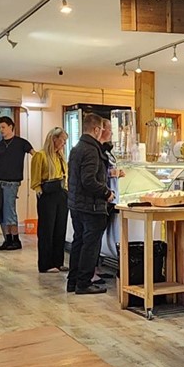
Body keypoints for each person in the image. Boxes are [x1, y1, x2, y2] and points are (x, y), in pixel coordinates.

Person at [67, 113, 115, 294]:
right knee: (90, 245)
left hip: (76, 204)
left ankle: (73, 281)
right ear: (96, 129)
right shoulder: (91, 150)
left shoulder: (77, 148)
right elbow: (89, 180)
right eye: (101, 129)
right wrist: (106, 193)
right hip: (91, 206)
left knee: (79, 242)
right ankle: (84, 283)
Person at [0, 115, 34, 252]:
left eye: (3, 127)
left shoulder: (21, 143)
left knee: (9, 210)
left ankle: (15, 239)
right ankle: (8, 238)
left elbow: (35, 155)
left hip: (12, 182)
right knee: (1, 211)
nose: (1, 130)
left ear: (11, 127)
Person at [30, 125, 68, 273]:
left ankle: (58, 261)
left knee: (60, 228)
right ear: (54, 139)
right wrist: (40, 193)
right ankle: (45, 263)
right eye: (62, 140)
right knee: (47, 229)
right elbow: (35, 180)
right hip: (47, 195)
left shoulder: (60, 157)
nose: (64, 143)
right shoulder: (40, 156)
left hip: (61, 193)